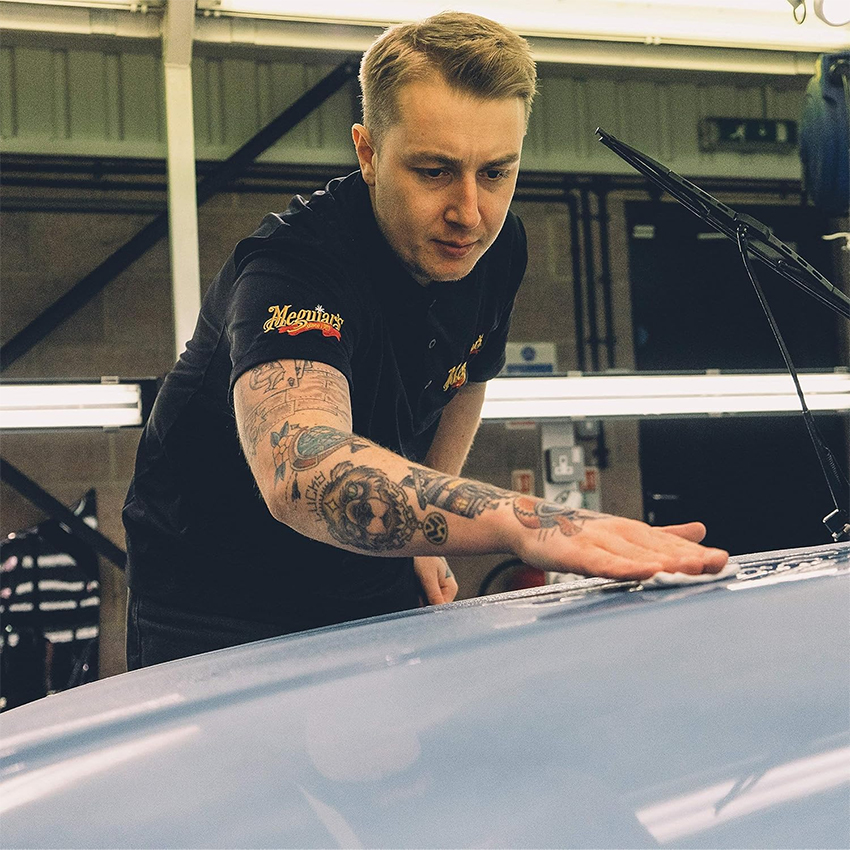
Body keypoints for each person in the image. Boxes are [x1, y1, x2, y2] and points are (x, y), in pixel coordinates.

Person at [123, 11, 728, 669]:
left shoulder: (497, 247)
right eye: (435, 171)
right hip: (215, 602)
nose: (469, 213)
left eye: (496, 173)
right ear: (368, 153)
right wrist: (517, 522)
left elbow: (468, 376)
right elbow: (301, 471)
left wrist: (428, 530)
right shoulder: (292, 267)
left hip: (369, 571)